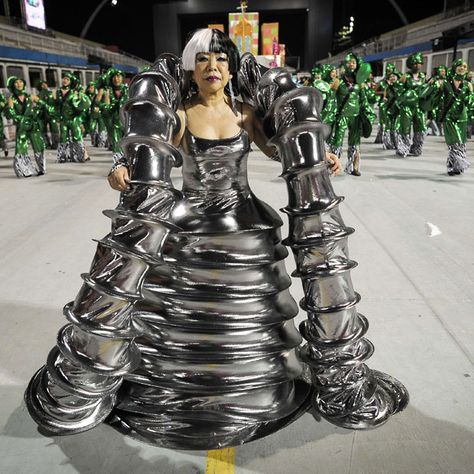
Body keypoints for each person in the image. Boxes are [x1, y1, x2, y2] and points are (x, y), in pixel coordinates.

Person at [26, 29, 407, 448]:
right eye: (204, 60)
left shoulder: (244, 113)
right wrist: (121, 166)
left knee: (246, 317)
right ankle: (184, 388)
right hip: (190, 221)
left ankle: (250, 387)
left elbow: (274, 149)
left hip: (242, 220)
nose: (213, 68)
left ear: (230, 69)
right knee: (186, 314)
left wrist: (321, 155)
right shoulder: (183, 114)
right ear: (192, 68)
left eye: (222, 60)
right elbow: (154, 151)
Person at [327, 53, 375, 176]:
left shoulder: (361, 84)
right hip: (341, 116)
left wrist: (368, 115)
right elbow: (331, 100)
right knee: (336, 142)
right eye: (349, 62)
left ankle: (354, 168)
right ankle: (332, 167)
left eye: (354, 62)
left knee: (355, 143)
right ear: (345, 65)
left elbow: (364, 101)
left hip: (355, 117)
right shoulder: (338, 82)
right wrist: (330, 115)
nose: (351, 64)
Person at [422, 59, 473, 175]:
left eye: (465, 66)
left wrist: (469, 95)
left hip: (462, 117)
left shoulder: (468, 84)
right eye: (460, 66)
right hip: (449, 117)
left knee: (461, 143)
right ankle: (458, 164)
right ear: (455, 67)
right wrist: (434, 87)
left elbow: (470, 102)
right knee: (453, 142)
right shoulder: (445, 83)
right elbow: (435, 98)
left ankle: (454, 167)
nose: (462, 68)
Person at [5, 76, 46, 177]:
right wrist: (16, 117)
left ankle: (42, 168)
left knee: (38, 146)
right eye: (16, 83)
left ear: (23, 83)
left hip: (33, 125)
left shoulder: (30, 96)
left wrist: (37, 112)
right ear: (13, 85)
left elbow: (43, 105)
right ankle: (24, 170)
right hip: (22, 126)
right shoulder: (12, 99)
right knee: (21, 147)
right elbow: (10, 112)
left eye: (20, 82)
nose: (19, 84)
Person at [55, 73, 91, 162]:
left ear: (71, 81)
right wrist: (57, 116)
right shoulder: (58, 91)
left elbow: (82, 106)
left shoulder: (74, 92)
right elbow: (57, 105)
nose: (65, 81)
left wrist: (80, 119)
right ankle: (63, 156)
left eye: (67, 79)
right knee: (63, 137)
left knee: (77, 136)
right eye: (64, 78)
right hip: (63, 118)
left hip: (74, 118)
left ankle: (82, 155)